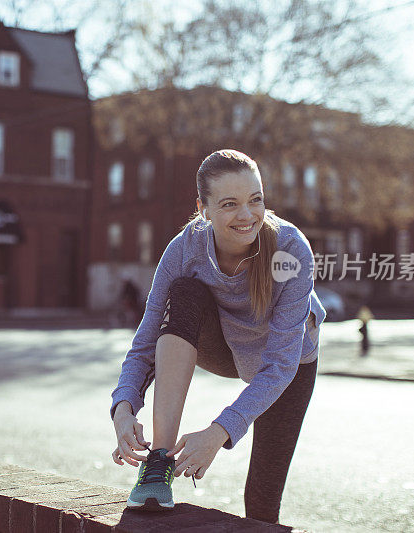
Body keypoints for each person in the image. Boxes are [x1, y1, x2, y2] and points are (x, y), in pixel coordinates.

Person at [109, 149, 326, 524]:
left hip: (287, 364)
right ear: (203, 208)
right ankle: (158, 464)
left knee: (262, 498)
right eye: (229, 204)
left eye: (255, 200)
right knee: (186, 293)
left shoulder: (290, 251)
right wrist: (124, 406)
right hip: (220, 345)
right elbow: (147, 338)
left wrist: (219, 432)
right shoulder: (184, 250)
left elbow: (279, 364)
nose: (247, 216)